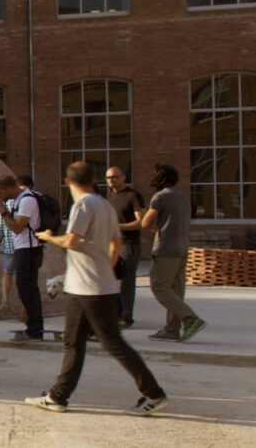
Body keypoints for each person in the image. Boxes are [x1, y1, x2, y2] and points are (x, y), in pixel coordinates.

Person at [25, 161, 169, 416]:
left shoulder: (83, 205)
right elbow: (115, 243)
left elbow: (71, 241)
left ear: (67, 182)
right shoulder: (105, 205)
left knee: (112, 342)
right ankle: (57, 397)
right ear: (94, 180)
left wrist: (48, 237)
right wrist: (105, 268)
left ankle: (154, 394)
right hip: (88, 286)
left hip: (89, 287)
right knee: (73, 342)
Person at [141, 163, 204, 342]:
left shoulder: (160, 197)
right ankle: (171, 329)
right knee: (176, 291)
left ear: (157, 179)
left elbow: (145, 222)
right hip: (182, 248)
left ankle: (191, 319)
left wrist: (155, 223)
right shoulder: (183, 197)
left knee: (159, 286)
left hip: (165, 249)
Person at [0, 173, 44, 342]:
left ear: (9, 189)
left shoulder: (27, 200)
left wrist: (3, 212)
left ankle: (35, 329)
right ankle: (33, 326)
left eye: (0, 193)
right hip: (22, 248)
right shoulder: (19, 200)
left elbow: (17, 228)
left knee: (28, 289)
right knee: (25, 289)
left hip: (29, 249)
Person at [105, 165, 145, 328]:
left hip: (128, 245)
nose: (111, 180)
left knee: (126, 283)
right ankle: (115, 314)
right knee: (111, 282)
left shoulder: (133, 196)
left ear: (124, 177)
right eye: (108, 177)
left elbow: (140, 222)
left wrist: (118, 227)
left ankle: (126, 317)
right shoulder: (107, 197)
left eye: (115, 176)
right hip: (110, 246)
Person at [0, 185, 18, 321]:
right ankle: (23, 308)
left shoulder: (3, 204)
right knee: (23, 276)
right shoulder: (22, 201)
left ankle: (5, 300)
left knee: (8, 273)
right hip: (23, 245)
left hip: (8, 245)